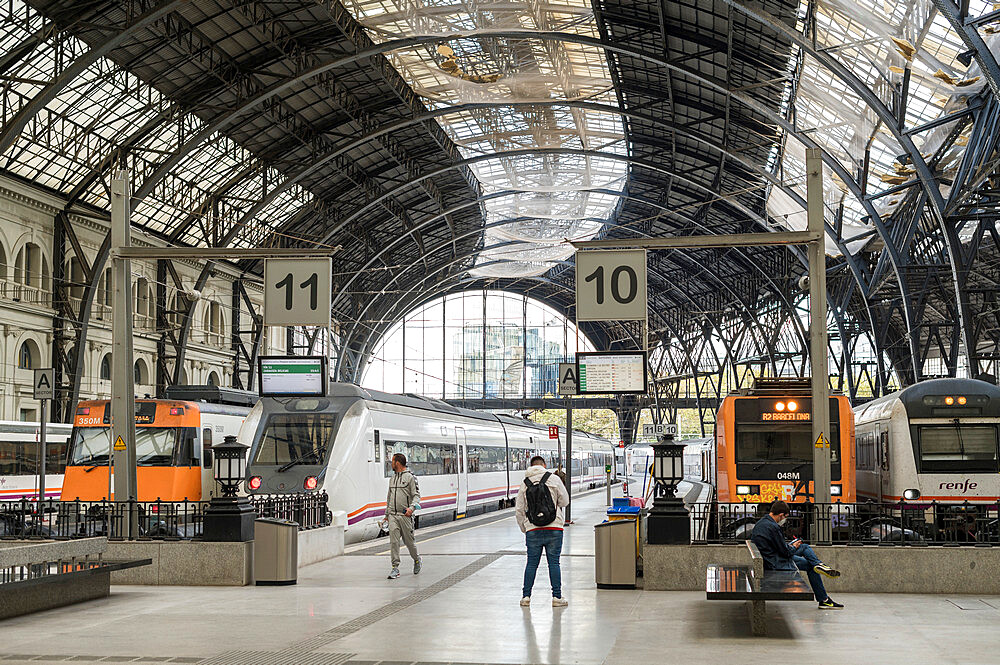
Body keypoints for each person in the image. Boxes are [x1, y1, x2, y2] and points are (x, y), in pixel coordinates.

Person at [750, 500, 844, 609]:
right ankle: (823, 597)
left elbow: (779, 547)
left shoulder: (762, 522)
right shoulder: (773, 527)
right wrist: (794, 547)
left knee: (804, 547)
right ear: (781, 515)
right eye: (785, 517)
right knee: (811, 566)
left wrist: (792, 546)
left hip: (772, 556)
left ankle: (819, 566)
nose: (785, 520)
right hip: (776, 562)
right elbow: (786, 552)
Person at [515, 455, 571, 607]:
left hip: (533, 529)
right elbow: (565, 501)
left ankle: (526, 597)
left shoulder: (525, 483)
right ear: (544, 465)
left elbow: (519, 510)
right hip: (554, 527)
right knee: (554, 563)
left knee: (531, 564)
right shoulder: (553, 479)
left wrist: (525, 528)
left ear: (530, 466)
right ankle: (557, 597)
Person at [386, 452, 421, 580]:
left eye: (392, 461)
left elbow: (416, 496)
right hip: (393, 516)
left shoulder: (410, 478)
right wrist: (386, 515)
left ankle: (417, 559)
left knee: (409, 542)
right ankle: (395, 568)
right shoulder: (392, 478)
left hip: (405, 515)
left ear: (398, 463)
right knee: (394, 542)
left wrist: (411, 509)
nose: (391, 463)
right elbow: (389, 497)